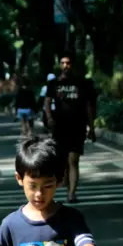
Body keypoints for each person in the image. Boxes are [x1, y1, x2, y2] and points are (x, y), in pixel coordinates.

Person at [44, 52, 95, 204]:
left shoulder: (81, 83)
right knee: (62, 160)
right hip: (59, 127)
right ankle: (66, 183)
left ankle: (72, 194)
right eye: (63, 63)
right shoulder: (54, 84)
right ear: (60, 65)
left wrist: (91, 127)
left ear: (72, 65)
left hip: (77, 126)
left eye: (69, 63)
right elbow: (47, 102)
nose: (66, 66)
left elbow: (88, 106)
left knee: (73, 160)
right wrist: (49, 118)